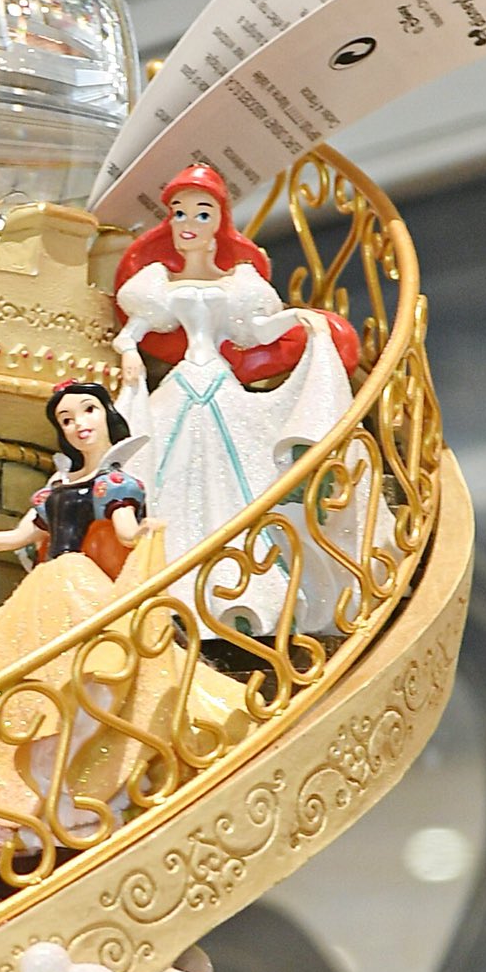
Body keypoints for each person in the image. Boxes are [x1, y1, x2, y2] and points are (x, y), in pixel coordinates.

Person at [0, 382, 248, 850]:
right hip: (41, 595)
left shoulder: (115, 483)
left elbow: (126, 532)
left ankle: (73, 783)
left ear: (106, 415)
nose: (79, 424)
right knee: (35, 688)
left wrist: (147, 530)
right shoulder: (56, 488)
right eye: (67, 419)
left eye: (87, 411)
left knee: (93, 676)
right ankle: (43, 785)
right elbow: (17, 538)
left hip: (80, 587)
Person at [113, 164, 380, 636]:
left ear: (219, 220)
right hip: (183, 384)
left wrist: (300, 320)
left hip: (218, 383)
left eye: (201, 213)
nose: (188, 223)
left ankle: (245, 587)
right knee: (165, 472)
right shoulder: (156, 283)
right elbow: (131, 334)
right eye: (179, 213)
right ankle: (170, 585)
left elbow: (255, 332)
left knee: (239, 477)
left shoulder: (239, 282)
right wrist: (130, 353)